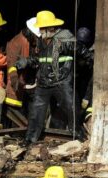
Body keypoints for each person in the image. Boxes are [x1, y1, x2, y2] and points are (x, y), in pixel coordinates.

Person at [19, 11, 78, 145]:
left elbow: (80, 53)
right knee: (36, 112)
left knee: (70, 107)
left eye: (41, 28)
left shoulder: (66, 38)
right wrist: (27, 61)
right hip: (44, 82)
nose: (39, 30)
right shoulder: (42, 41)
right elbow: (40, 59)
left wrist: (91, 59)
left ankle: (77, 136)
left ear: (50, 28)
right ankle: (29, 139)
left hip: (61, 81)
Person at [5, 26, 36, 110]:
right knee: (15, 116)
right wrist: (16, 83)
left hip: (27, 86)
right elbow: (11, 65)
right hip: (17, 88)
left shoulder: (29, 42)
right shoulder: (17, 42)